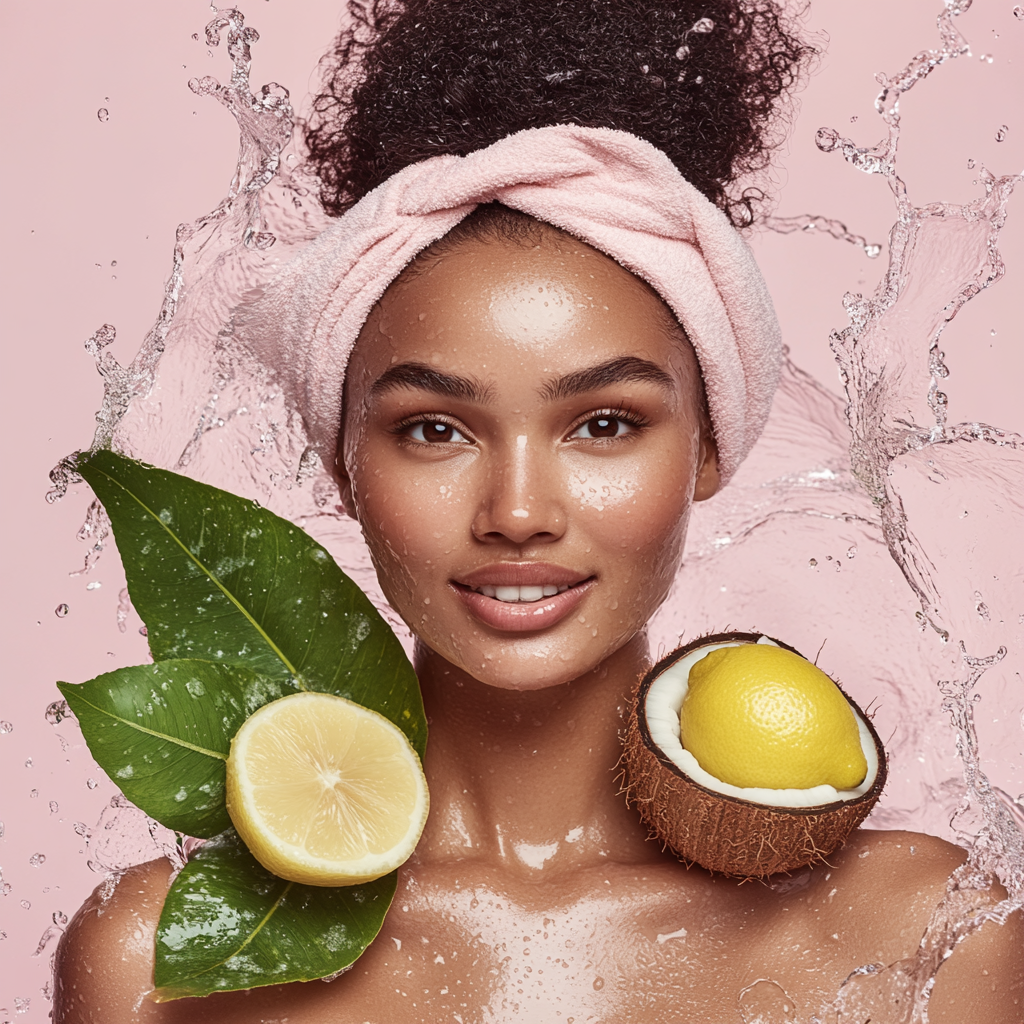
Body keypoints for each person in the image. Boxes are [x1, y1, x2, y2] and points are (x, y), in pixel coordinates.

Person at [53, 0, 1023, 1020]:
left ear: (704, 445)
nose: (517, 510)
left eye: (603, 424)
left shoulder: (931, 939)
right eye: (434, 429)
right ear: (340, 464)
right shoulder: (160, 964)